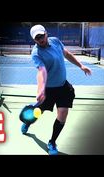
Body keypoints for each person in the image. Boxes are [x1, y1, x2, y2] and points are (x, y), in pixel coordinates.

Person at [25, 24, 92, 155]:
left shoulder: (55, 41)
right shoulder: (36, 54)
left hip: (63, 87)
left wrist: (81, 66)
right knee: (39, 112)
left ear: (46, 33)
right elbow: (42, 72)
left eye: (41, 35)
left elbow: (66, 53)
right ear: (34, 40)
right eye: (37, 38)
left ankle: (52, 142)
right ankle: (28, 122)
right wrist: (41, 89)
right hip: (48, 90)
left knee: (63, 114)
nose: (40, 39)